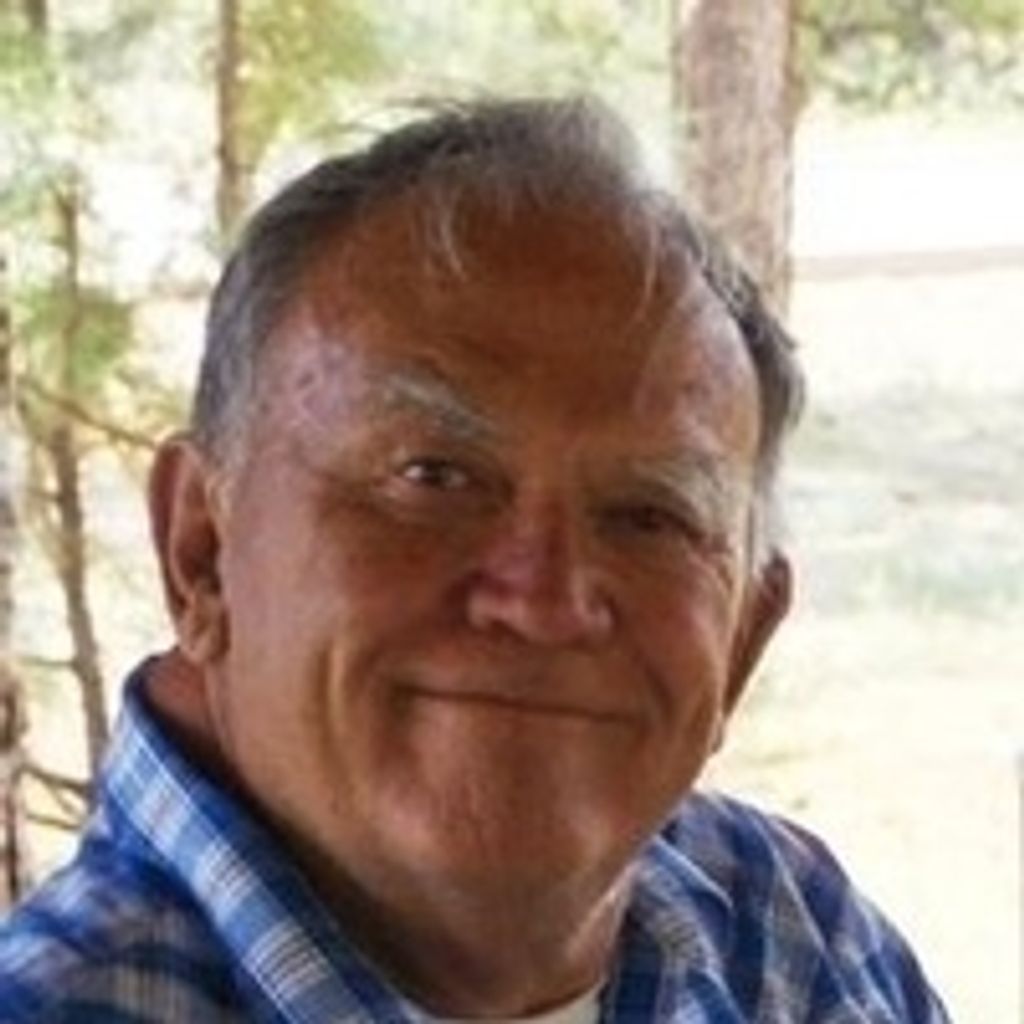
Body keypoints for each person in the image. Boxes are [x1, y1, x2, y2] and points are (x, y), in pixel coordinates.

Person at [0, 97, 949, 1023]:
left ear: (743, 636)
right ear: (202, 555)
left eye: (649, 517)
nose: (545, 599)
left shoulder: (796, 948)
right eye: (434, 477)